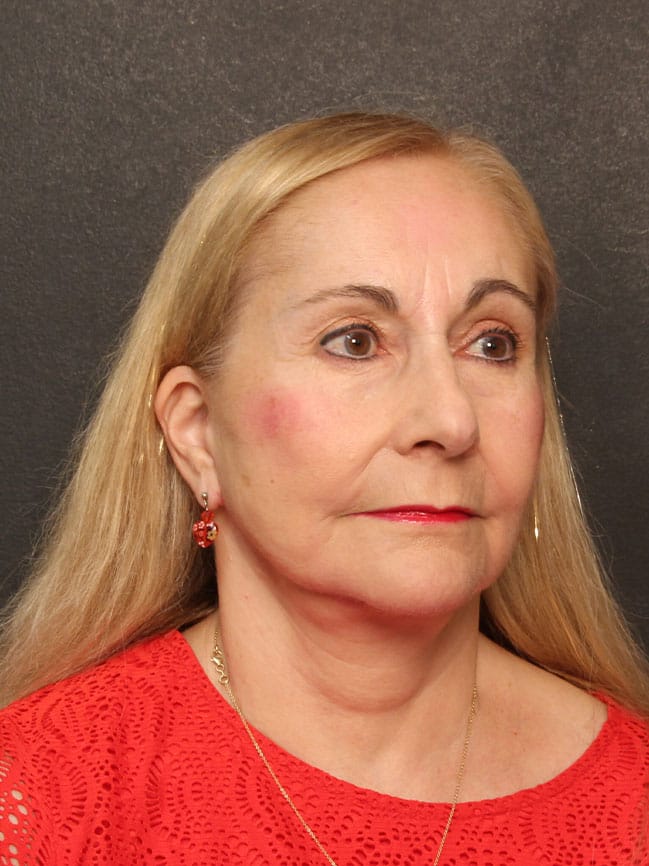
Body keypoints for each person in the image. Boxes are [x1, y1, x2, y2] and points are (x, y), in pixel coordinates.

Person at [0, 112, 648, 865]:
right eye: (355, 341)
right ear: (198, 432)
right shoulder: (36, 801)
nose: (449, 421)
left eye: (491, 344)